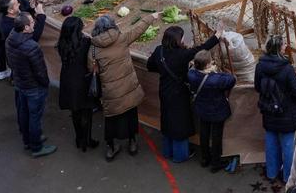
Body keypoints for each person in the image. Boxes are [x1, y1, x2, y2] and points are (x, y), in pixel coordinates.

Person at [91, 11, 162, 160]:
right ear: (112, 26)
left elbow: (91, 68)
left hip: (110, 92)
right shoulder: (121, 39)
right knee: (131, 114)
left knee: (111, 119)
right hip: (128, 87)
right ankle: (132, 142)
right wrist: (151, 17)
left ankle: (111, 147)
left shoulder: (94, 48)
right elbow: (138, 29)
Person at [147, 25, 220, 163]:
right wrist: (217, 36)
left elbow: (150, 66)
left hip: (164, 90)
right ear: (177, 40)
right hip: (179, 93)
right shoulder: (182, 55)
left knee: (167, 120)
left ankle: (167, 151)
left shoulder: (159, 51)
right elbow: (202, 48)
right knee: (180, 124)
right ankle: (180, 155)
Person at [253, 33, 296, 184]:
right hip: (286, 113)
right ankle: (288, 177)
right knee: (288, 147)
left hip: (269, 111)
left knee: (270, 142)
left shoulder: (260, 66)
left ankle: (271, 173)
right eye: (283, 45)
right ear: (278, 48)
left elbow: (257, 87)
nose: (285, 47)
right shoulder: (287, 68)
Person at [7, 5, 57, 158]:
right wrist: (45, 83)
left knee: (24, 112)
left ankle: (27, 140)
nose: (34, 24)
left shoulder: (11, 39)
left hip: (20, 83)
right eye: (32, 23)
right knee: (34, 117)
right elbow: (40, 71)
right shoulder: (31, 47)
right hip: (33, 87)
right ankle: (37, 146)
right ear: (26, 28)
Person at [186, 50, 239, 173]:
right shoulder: (215, 79)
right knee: (216, 135)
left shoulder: (191, 75)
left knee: (204, 132)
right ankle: (216, 161)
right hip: (217, 111)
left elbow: (192, 71)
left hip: (202, 109)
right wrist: (215, 71)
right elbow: (231, 79)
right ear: (207, 65)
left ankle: (205, 158)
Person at [56, 16, 99, 153]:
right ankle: (87, 140)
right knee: (86, 111)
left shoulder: (62, 44)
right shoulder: (85, 42)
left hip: (68, 80)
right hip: (82, 80)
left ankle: (79, 138)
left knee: (75, 111)